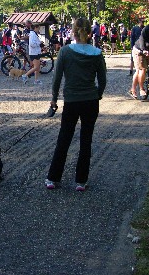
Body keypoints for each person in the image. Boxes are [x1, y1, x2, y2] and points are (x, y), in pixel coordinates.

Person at [45, 17, 106, 191]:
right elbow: (102, 79)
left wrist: (54, 99)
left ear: (73, 31)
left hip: (71, 100)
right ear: (89, 32)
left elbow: (57, 78)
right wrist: (98, 94)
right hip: (90, 100)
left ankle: (53, 178)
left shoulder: (65, 52)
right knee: (86, 140)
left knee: (64, 138)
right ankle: (81, 181)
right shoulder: (97, 53)